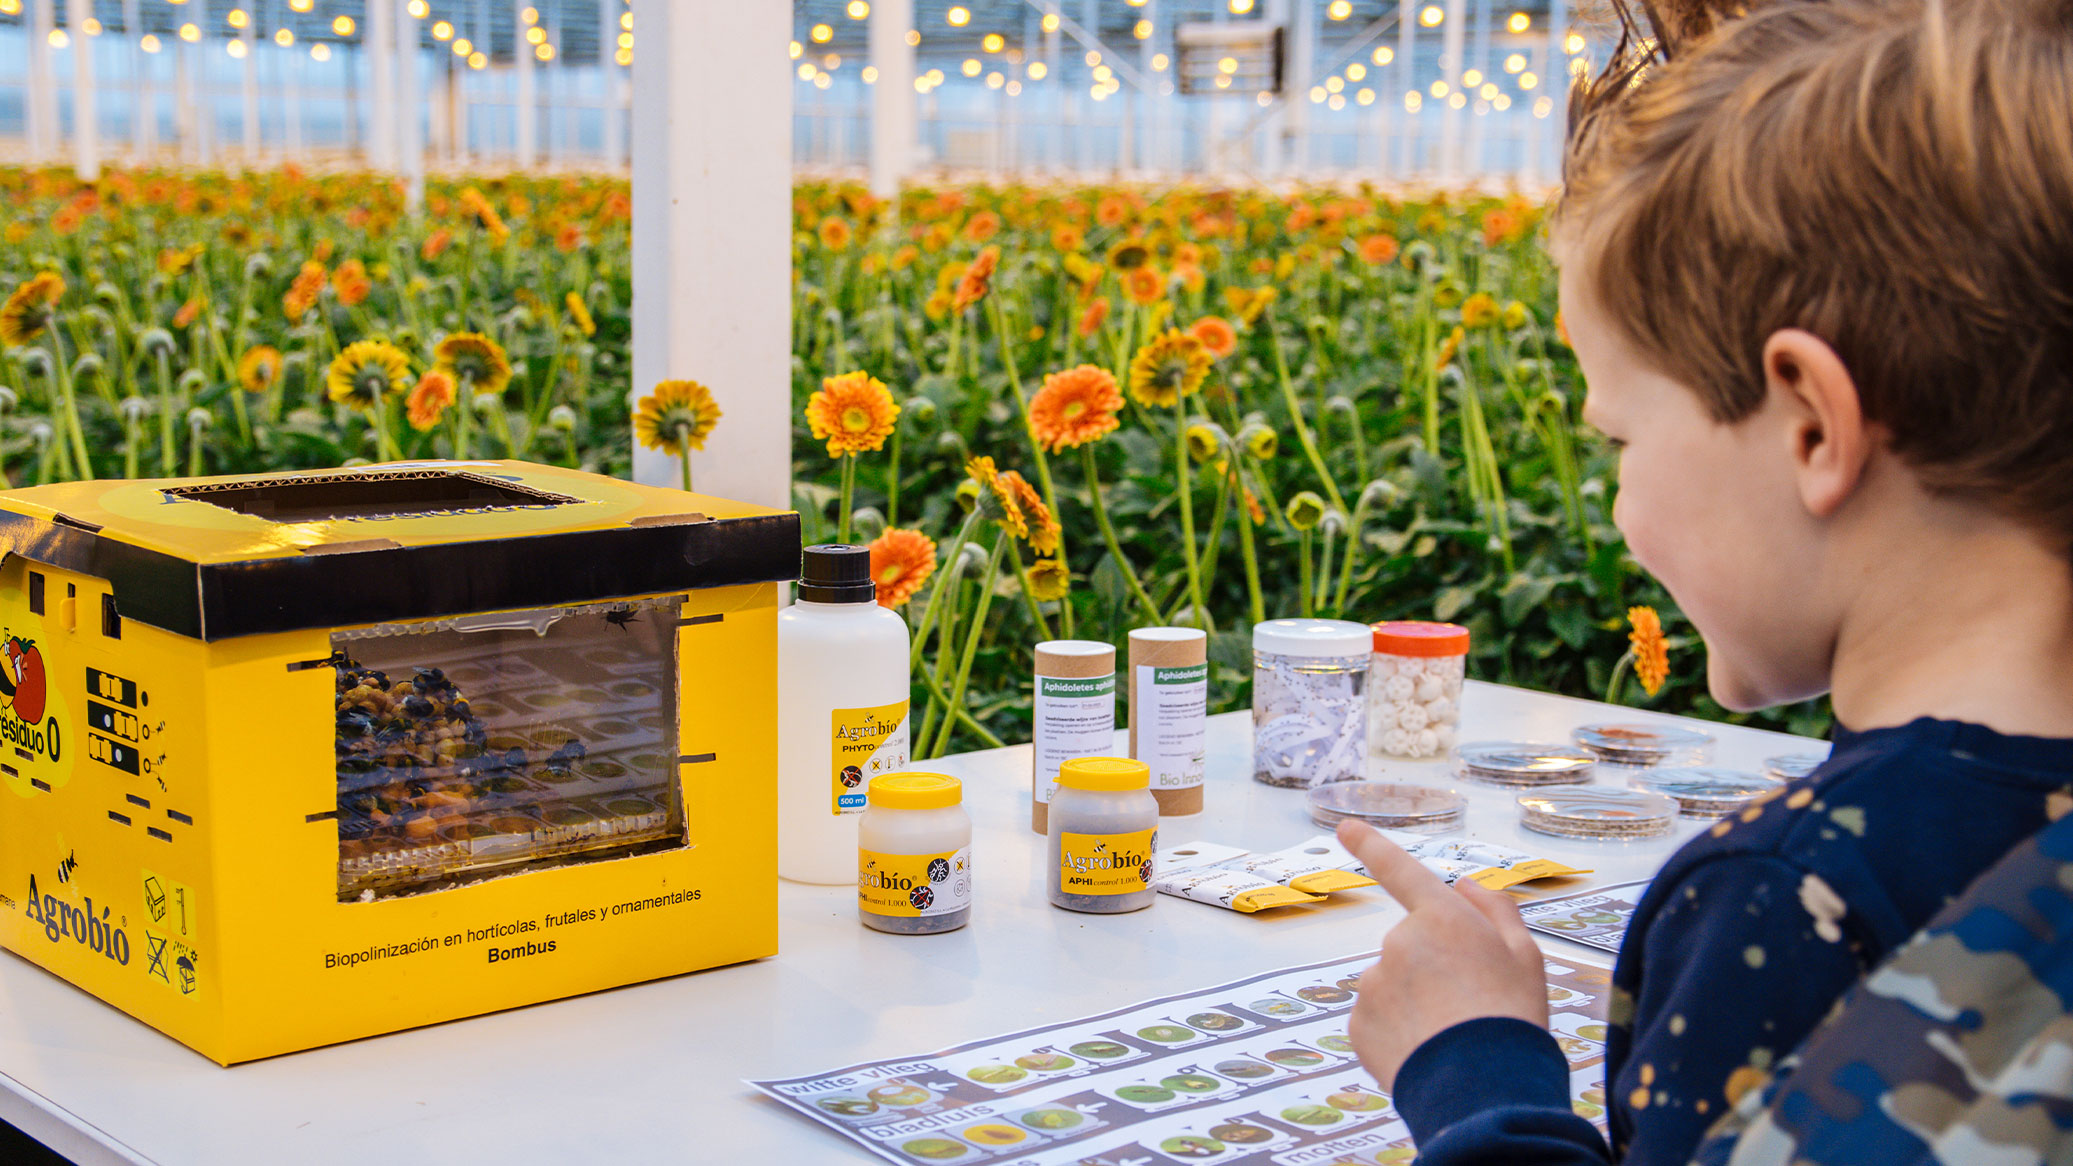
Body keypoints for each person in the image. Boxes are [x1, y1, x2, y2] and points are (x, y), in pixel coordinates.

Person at [1336, 0, 2073, 1161]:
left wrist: (1476, 1069)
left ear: (1811, 426)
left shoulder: (1787, 892)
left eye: (1623, 439)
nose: (1620, 509)